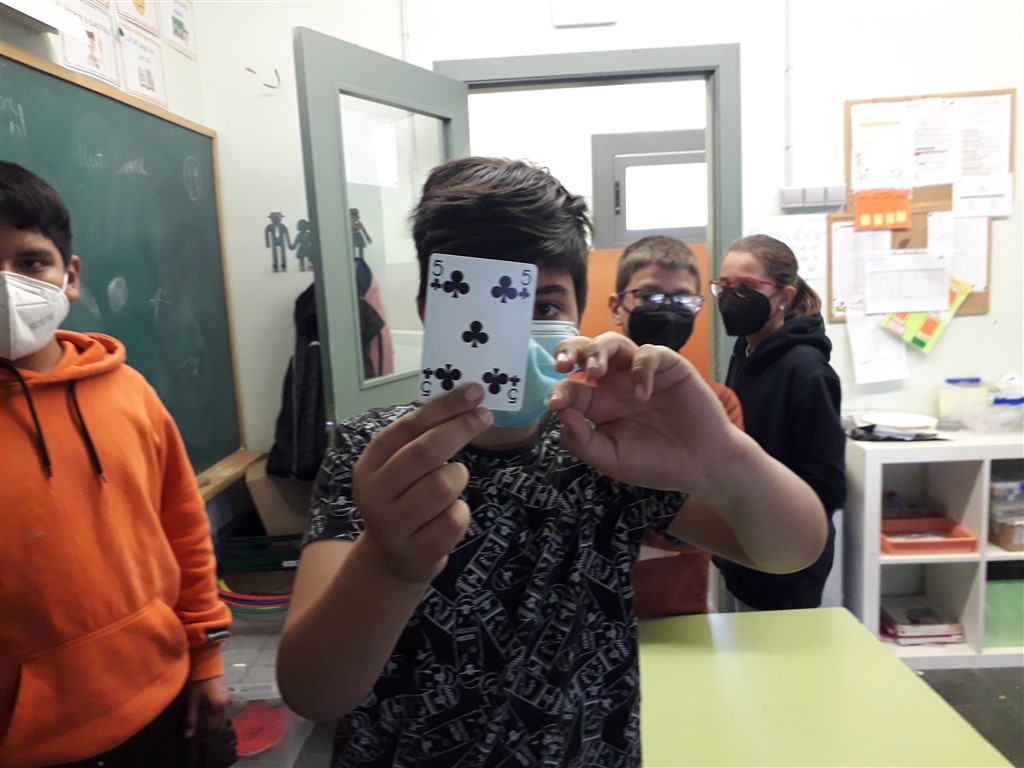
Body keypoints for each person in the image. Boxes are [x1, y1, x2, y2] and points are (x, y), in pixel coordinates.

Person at [277, 157, 827, 766]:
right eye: (483, 303)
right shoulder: (377, 452)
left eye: (543, 307)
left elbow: (792, 550)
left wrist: (717, 457)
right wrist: (387, 565)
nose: (511, 333)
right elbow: (314, 693)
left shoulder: (604, 443)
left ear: (578, 316)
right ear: (432, 313)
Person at [0, 162, 231, 766]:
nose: (8, 287)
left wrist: (206, 657)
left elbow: (185, 530)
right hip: (27, 742)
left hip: (162, 695)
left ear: (70, 276)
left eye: (31, 262)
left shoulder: (129, 393)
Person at [609, 235, 743, 617]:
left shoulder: (717, 404)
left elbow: (724, 520)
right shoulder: (585, 398)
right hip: (590, 614)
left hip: (679, 612)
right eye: (650, 297)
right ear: (617, 306)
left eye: (683, 300)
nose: (667, 309)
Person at [710, 233, 846, 611]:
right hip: (744, 548)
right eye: (725, 286)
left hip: (787, 562)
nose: (731, 297)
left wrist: (781, 534)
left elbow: (826, 484)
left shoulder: (807, 370)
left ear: (784, 296)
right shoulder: (745, 351)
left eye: (746, 287)